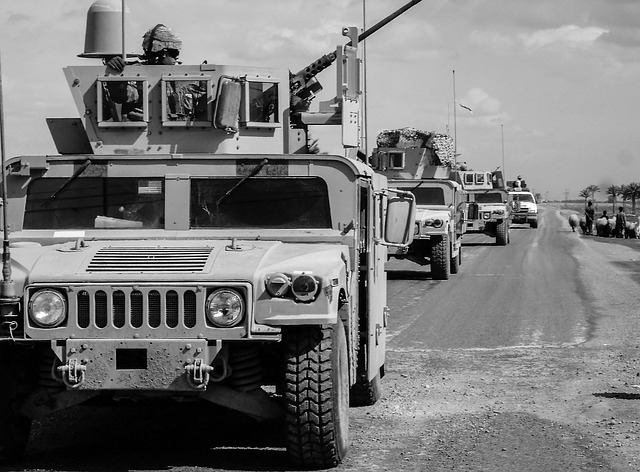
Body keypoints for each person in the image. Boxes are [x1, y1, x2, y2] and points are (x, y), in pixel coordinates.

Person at [103, 25, 206, 122]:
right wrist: (116, 76)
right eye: (173, 53)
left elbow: (203, 96)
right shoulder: (136, 75)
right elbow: (121, 96)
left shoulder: (184, 78)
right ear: (160, 53)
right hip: (144, 133)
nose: (176, 58)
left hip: (180, 132)